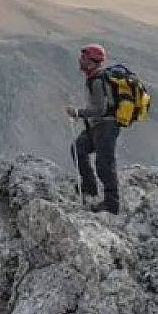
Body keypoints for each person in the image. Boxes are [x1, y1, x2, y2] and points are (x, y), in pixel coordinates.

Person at [64, 43, 121, 214]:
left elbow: (99, 109)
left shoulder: (97, 81)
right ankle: (89, 186)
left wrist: (78, 113)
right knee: (78, 148)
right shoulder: (95, 78)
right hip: (97, 126)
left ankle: (112, 203)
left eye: (84, 58)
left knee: (104, 163)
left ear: (92, 62)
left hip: (105, 127)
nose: (80, 60)